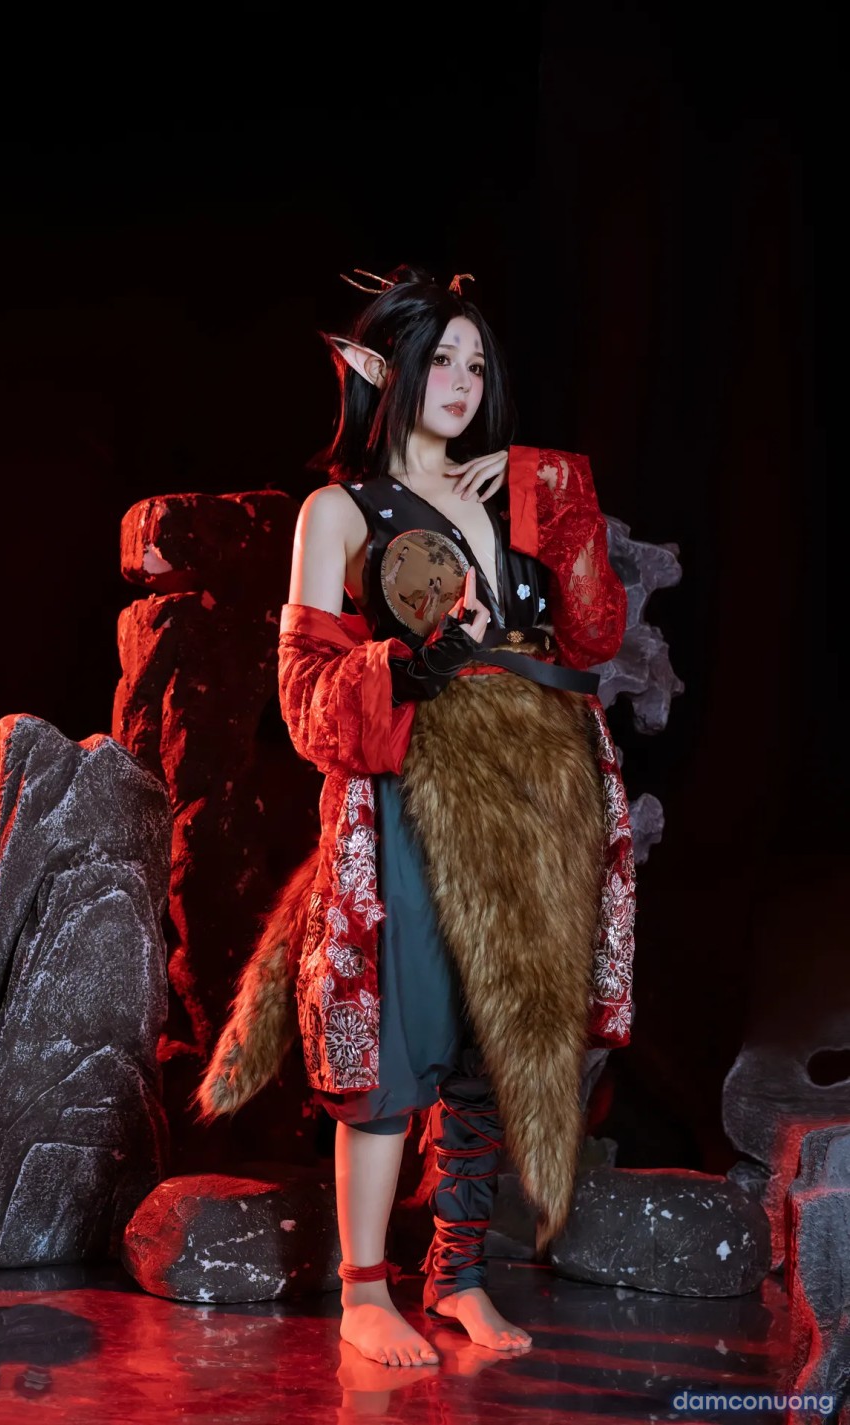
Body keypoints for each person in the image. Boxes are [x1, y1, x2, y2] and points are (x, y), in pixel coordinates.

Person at [196, 265, 636, 1369]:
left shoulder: (514, 493)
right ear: (383, 370)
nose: (462, 380)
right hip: (410, 786)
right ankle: (363, 1291)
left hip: (538, 786)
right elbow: (301, 692)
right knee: (398, 1035)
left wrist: (546, 486)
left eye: (476, 362)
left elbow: (592, 636)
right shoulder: (339, 510)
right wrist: (404, 664)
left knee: (499, 1037)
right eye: (439, 358)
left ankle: (459, 1275)